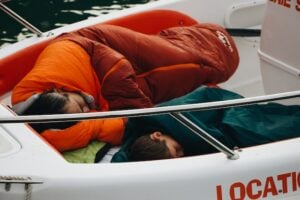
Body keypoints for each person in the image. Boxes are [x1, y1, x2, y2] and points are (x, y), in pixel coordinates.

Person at [11, 21, 239, 152]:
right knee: (184, 74)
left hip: (106, 50)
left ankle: (209, 42)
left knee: (191, 62)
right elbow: (79, 130)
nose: (87, 110)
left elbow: (112, 64)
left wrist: (139, 115)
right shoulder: (50, 125)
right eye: (83, 114)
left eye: (80, 104)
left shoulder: (58, 64)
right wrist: (96, 125)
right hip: (122, 78)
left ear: (59, 90)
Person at [111, 86, 300, 162]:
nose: (182, 153)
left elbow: (216, 138)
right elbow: (122, 159)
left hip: (222, 108)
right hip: (217, 119)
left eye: (176, 150)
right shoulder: (140, 146)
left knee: (255, 131)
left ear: (157, 135)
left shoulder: (157, 119)